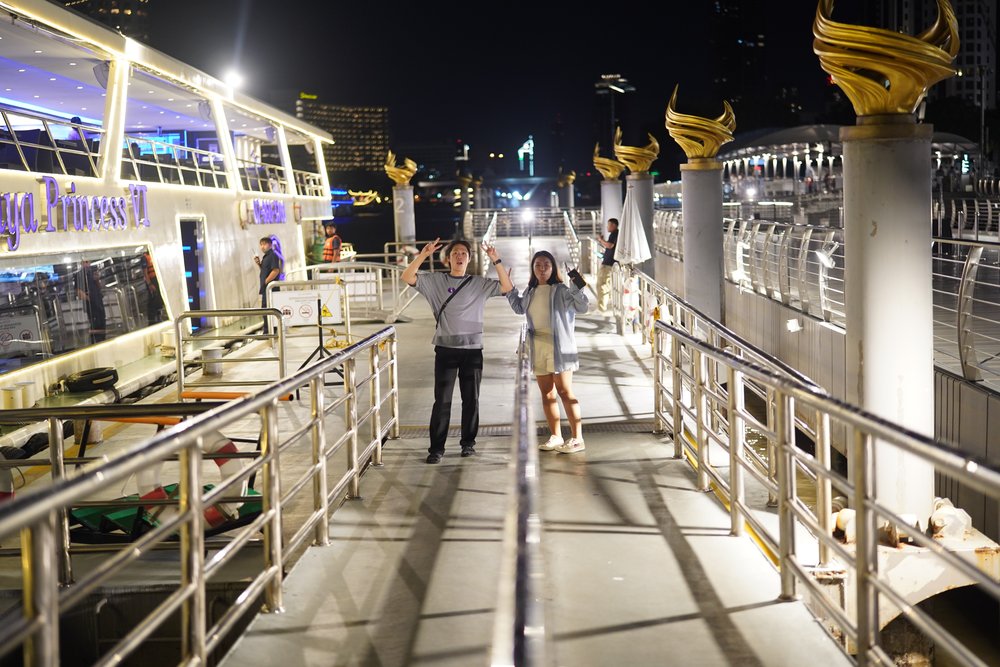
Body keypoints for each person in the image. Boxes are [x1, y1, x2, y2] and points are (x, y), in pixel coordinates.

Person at [402, 237, 514, 463]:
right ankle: (436, 449)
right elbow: (407, 277)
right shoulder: (436, 282)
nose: (459, 256)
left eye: (463, 253)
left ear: (470, 259)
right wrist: (423, 254)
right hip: (445, 349)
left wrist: (496, 260)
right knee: (442, 401)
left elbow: (506, 287)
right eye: (455, 253)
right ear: (448, 259)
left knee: (471, 400)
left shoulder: (479, 283)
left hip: (472, 350)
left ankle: (468, 444)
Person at [507, 251, 589, 453]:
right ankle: (556, 436)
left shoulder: (561, 290)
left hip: (559, 347)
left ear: (553, 268)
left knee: (564, 391)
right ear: (533, 269)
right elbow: (519, 308)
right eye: (538, 265)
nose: (542, 269)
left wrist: (576, 285)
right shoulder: (530, 291)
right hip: (538, 347)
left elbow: (582, 306)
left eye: (546, 265)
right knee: (547, 393)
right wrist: (508, 287)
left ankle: (577, 438)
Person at [594, 217, 619, 312]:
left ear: (613, 225)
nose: (607, 227)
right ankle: (602, 306)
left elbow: (610, 245)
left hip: (608, 265)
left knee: (602, 286)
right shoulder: (614, 234)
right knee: (604, 285)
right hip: (608, 263)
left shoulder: (615, 234)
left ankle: (601, 308)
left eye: (608, 225)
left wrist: (601, 240)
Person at [254, 236, 282, 308]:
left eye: (264, 244)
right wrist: (259, 264)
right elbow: (266, 271)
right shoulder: (266, 257)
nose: (262, 247)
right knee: (265, 308)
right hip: (266, 288)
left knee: (269, 308)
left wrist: (266, 281)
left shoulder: (272, 255)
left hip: (271, 288)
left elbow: (275, 271)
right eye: (261, 245)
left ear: (270, 245)